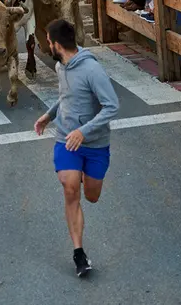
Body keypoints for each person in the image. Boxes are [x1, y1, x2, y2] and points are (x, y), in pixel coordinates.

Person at [33, 19, 119, 277]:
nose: (46, 45)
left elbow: (112, 106)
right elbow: (67, 97)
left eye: (48, 42)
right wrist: (49, 116)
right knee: (71, 189)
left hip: (94, 143)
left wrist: (84, 131)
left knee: (91, 196)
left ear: (57, 45)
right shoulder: (62, 65)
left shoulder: (92, 70)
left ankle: (82, 173)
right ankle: (79, 253)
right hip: (66, 138)